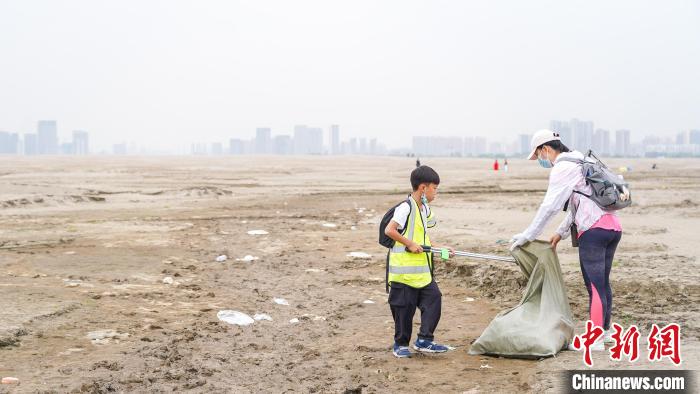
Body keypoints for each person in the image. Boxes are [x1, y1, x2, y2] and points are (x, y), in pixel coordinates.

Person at [510, 129, 622, 351]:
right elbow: (579, 203)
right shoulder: (582, 159)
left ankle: (596, 339)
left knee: (594, 284)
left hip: (593, 231)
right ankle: (606, 331)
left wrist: (527, 236)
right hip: (612, 227)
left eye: (539, 155)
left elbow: (550, 207)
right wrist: (560, 233)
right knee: (602, 283)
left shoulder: (563, 167)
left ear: (546, 149)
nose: (540, 160)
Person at [384, 165, 455, 358]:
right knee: (403, 312)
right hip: (403, 274)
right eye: (435, 188)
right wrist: (409, 243)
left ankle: (424, 340)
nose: (436, 192)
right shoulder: (405, 207)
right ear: (423, 188)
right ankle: (400, 345)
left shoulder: (424, 209)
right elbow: (389, 230)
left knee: (434, 299)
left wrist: (442, 250)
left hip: (422, 274)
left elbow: (424, 237)